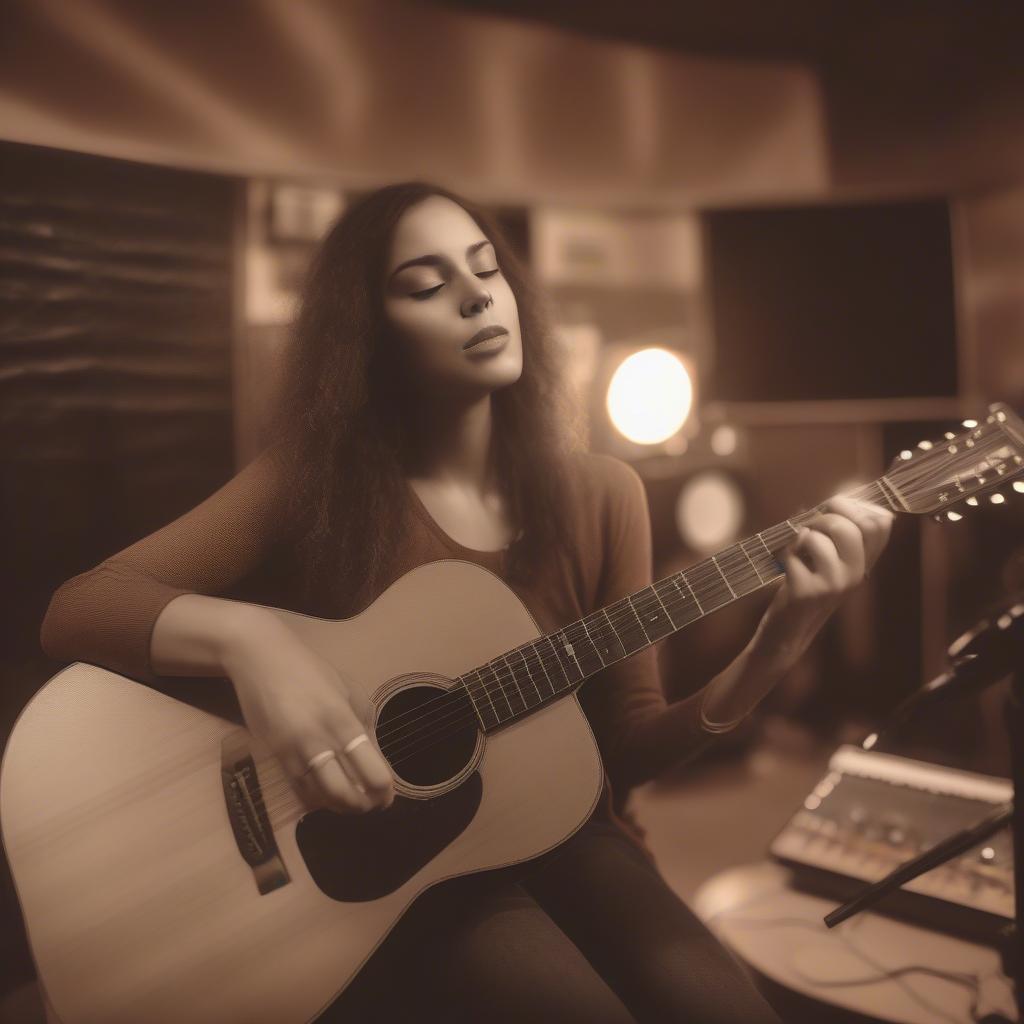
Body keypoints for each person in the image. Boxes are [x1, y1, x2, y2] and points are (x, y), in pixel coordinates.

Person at [40, 182, 893, 1023]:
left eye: (486, 268)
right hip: (396, 871)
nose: (478, 293)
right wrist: (247, 642)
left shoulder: (603, 493)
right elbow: (84, 605)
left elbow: (622, 751)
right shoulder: (311, 486)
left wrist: (778, 645)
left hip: (573, 834)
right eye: (426, 283)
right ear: (368, 334)